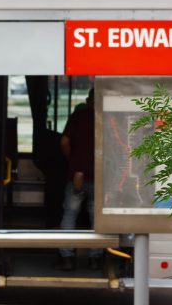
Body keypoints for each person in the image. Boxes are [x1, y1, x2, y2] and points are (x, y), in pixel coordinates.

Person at [57, 88, 102, 271]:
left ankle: (67, 258)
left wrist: (73, 159)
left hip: (76, 176)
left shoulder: (78, 116)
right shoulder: (108, 118)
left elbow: (64, 142)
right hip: (99, 175)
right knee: (96, 219)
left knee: (70, 214)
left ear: (88, 99)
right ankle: (94, 259)